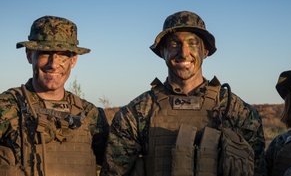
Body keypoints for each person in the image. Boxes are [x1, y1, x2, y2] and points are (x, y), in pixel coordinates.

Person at [101, 10, 265, 176]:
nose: (184, 52)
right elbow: (114, 172)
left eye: (192, 43)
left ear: (205, 51)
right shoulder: (136, 113)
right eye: (174, 44)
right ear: (162, 52)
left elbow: (258, 170)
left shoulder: (237, 112)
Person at [0, 16, 109, 176]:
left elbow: (115, 165)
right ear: (30, 55)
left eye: (63, 55)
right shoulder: (7, 106)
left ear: (73, 60)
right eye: (45, 53)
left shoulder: (90, 114)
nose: (53, 64)